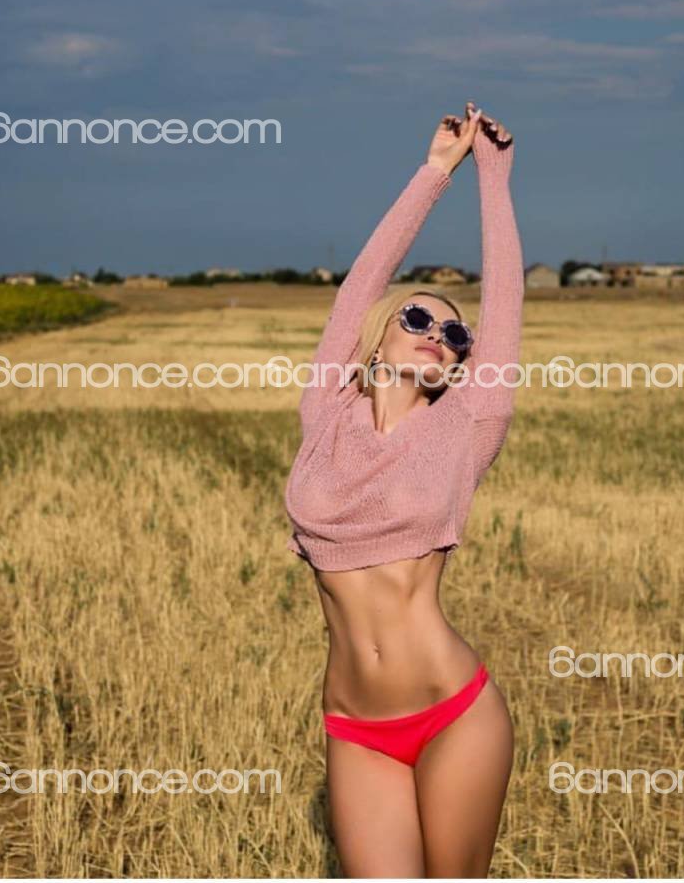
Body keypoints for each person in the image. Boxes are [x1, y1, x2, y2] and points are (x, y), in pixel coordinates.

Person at [283, 100, 524, 877]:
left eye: (454, 335)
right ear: (379, 336)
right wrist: (434, 172)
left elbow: (505, 307)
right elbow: (361, 283)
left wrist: (493, 178)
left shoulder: (466, 427)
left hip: (454, 711)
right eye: (419, 318)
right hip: (355, 725)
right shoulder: (327, 409)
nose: (437, 336)